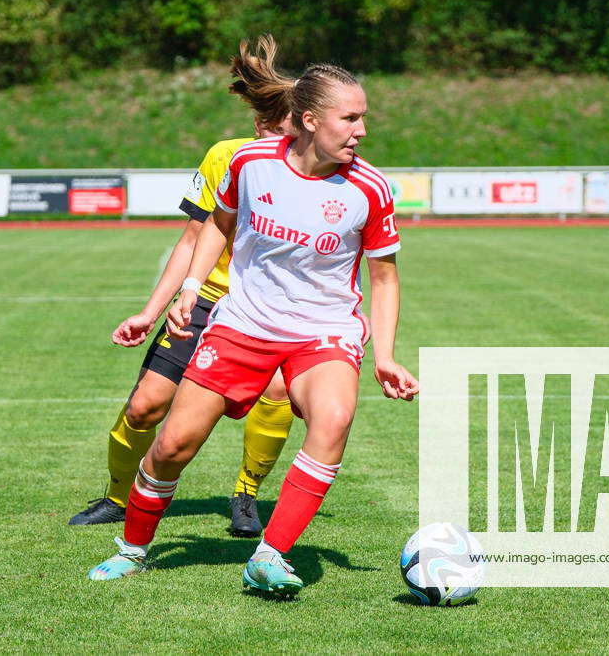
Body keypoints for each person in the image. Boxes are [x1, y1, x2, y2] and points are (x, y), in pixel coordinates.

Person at [87, 44, 419, 598]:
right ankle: (133, 550)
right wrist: (191, 288)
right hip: (241, 325)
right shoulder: (250, 163)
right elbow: (217, 223)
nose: (362, 130)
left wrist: (384, 356)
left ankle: (269, 556)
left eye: (364, 118)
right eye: (351, 117)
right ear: (310, 120)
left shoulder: (371, 188)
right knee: (172, 446)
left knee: (333, 418)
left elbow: (383, 277)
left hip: (323, 332)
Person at [68, 36, 299, 538]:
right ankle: (116, 497)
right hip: (208, 300)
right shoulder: (225, 157)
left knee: (276, 392)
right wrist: (151, 309)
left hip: (269, 310)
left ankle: (247, 494)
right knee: (145, 405)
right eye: (272, 126)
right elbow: (193, 237)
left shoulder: (313, 173)